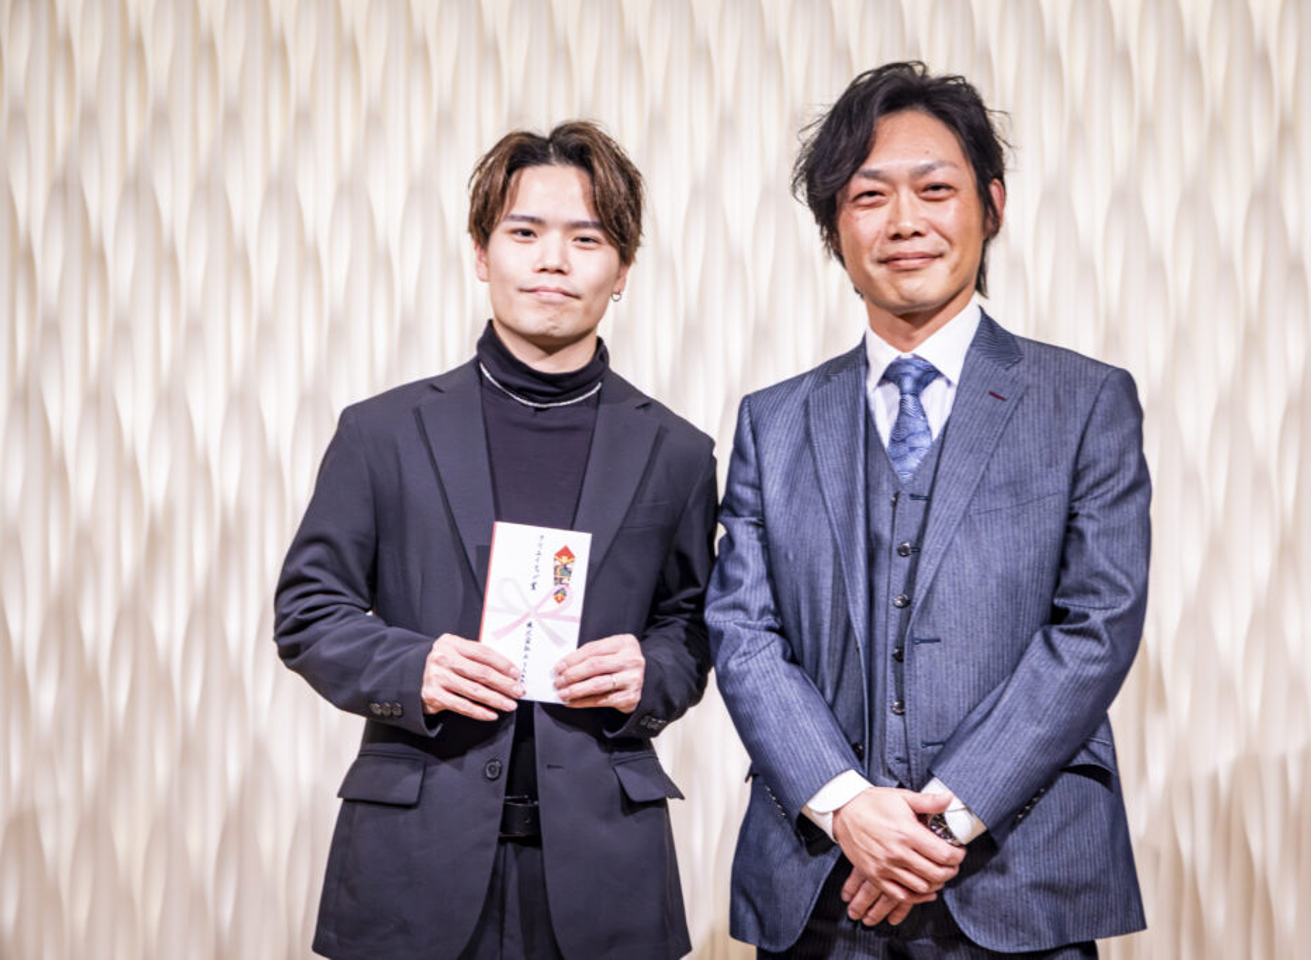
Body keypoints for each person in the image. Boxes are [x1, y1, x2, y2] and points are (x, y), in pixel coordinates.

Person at [707, 61, 1150, 957]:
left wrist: (942, 824)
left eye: (935, 189)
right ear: (835, 227)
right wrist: (845, 805)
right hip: (820, 881)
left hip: (1020, 877)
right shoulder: (772, 421)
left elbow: (1097, 624)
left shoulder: (1085, 401)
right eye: (869, 196)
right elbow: (743, 633)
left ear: (992, 205)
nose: (904, 221)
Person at [275, 121, 716, 960]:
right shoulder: (381, 432)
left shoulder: (679, 452)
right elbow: (309, 610)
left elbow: (693, 623)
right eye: (524, 233)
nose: (553, 261)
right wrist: (413, 667)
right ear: (482, 253)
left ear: (623, 268)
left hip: (607, 865)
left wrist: (650, 671)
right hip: (413, 855)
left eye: (586, 239)